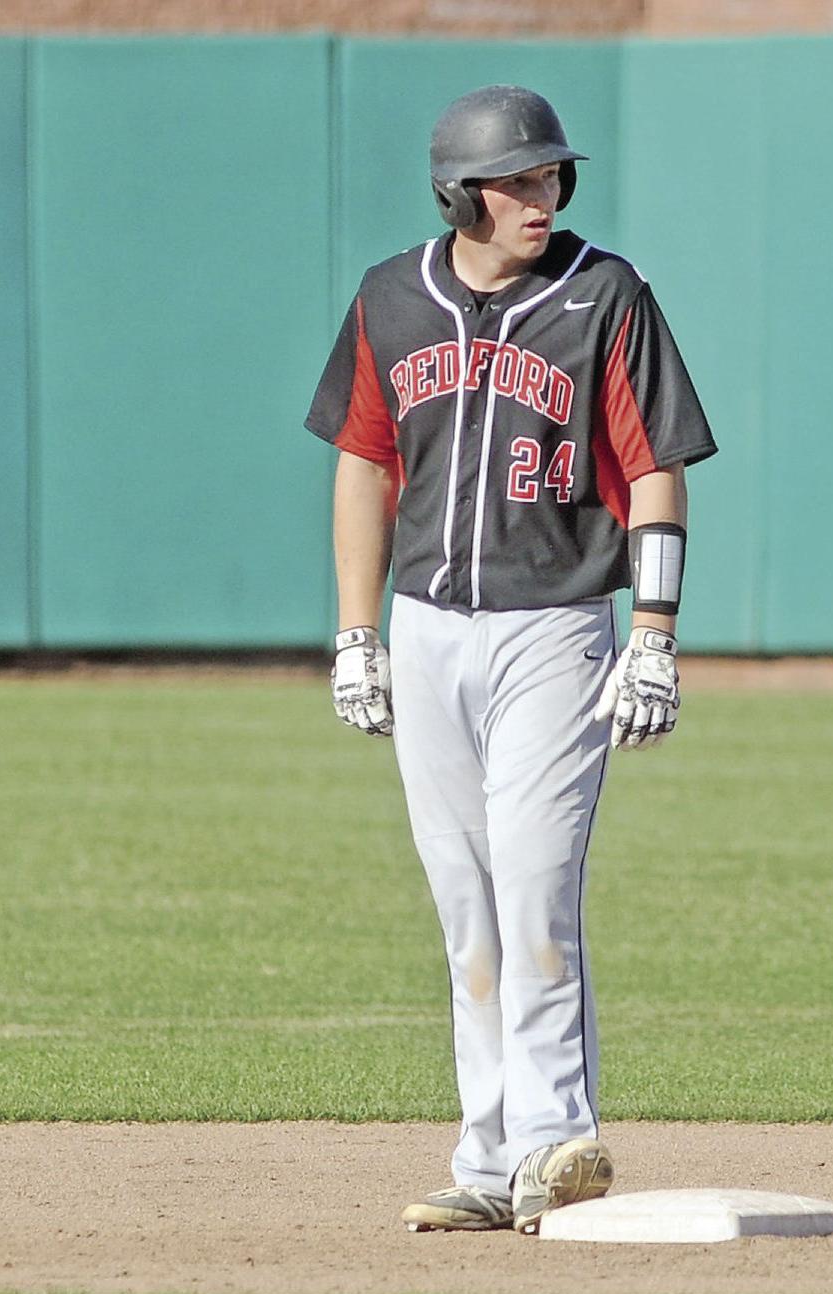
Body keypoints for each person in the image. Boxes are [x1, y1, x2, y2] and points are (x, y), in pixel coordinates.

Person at [304, 84, 717, 1235]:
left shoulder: (602, 294)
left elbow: (655, 466)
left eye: (550, 176)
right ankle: (486, 1158)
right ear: (459, 191)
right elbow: (362, 462)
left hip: (557, 623)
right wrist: (355, 634)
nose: (543, 195)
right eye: (519, 178)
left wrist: (652, 633)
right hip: (429, 624)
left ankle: (552, 1142)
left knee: (534, 885)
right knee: (462, 901)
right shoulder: (393, 297)